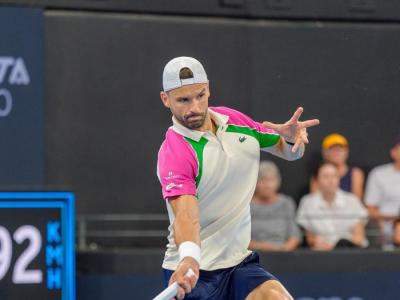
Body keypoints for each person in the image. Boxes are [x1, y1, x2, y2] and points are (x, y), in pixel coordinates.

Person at [157, 56, 319, 300]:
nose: (195, 107)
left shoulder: (234, 121)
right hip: (195, 273)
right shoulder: (175, 152)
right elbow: (185, 215)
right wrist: (189, 257)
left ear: (208, 88)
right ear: (165, 99)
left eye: (200, 95)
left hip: (238, 264)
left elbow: (288, 151)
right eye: (183, 100)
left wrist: (290, 138)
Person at [297, 162, 368, 251]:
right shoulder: (307, 202)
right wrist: (317, 243)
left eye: (334, 176)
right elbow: (310, 238)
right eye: (326, 176)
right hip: (320, 253)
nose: (331, 180)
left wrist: (336, 246)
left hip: (349, 252)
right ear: (317, 180)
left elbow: (359, 238)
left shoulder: (352, 201)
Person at [249, 161, 301, 252]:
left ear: (278, 181)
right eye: (263, 180)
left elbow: (295, 235)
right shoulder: (247, 205)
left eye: (271, 180)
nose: (267, 185)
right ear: (255, 182)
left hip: (282, 254)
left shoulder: (286, 203)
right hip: (253, 254)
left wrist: (284, 249)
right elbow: (239, 239)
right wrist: (264, 247)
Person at [364, 134, 400, 247]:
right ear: (393, 152)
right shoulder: (379, 174)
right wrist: (394, 219)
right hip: (386, 231)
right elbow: (370, 209)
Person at [309, 133, 364, 199]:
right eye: (332, 149)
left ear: (346, 152)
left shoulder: (355, 173)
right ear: (325, 153)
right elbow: (315, 201)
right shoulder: (317, 174)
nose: (337, 152)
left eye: (340, 149)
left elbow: (356, 202)